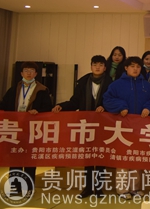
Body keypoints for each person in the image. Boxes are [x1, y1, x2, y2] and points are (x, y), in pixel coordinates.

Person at [52, 55, 112, 198]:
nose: (97, 67)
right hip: (86, 124)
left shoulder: (111, 83)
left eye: (100, 65)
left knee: (100, 156)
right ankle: (88, 188)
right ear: (91, 66)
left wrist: (105, 107)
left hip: (104, 125)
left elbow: (114, 101)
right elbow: (75, 102)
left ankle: (99, 189)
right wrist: (61, 106)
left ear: (105, 67)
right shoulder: (83, 82)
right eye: (95, 64)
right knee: (88, 157)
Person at [103, 56, 150, 200]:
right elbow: (107, 99)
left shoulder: (147, 86)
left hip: (140, 129)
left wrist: (148, 107)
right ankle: (122, 190)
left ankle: (135, 188)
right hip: (122, 129)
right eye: (132, 66)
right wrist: (120, 107)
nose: (135, 69)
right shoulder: (116, 85)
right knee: (122, 159)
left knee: (136, 158)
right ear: (126, 68)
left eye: (138, 67)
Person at [0, 61, 52, 190]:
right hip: (15, 128)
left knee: (30, 158)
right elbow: (3, 105)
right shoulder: (13, 89)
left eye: (31, 71)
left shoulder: (42, 90)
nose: (29, 73)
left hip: (32, 129)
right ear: (21, 73)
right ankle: (14, 186)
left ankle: (28, 187)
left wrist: (37, 111)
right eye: (26, 71)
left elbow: (48, 108)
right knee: (15, 157)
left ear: (36, 74)